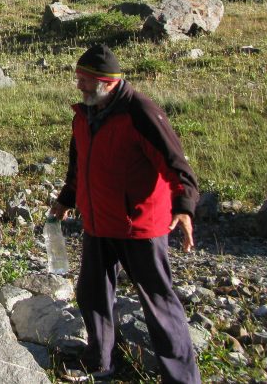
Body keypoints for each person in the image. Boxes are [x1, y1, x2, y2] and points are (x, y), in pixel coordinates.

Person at [50, 43, 201, 383]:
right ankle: (100, 362)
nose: (79, 86)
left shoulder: (141, 113)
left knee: (160, 304)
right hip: (99, 222)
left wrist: (185, 208)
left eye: (85, 80)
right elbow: (79, 167)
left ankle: (182, 378)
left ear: (108, 81)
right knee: (91, 294)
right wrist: (66, 199)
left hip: (139, 227)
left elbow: (176, 165)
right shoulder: (84, 114)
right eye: (78, 78)